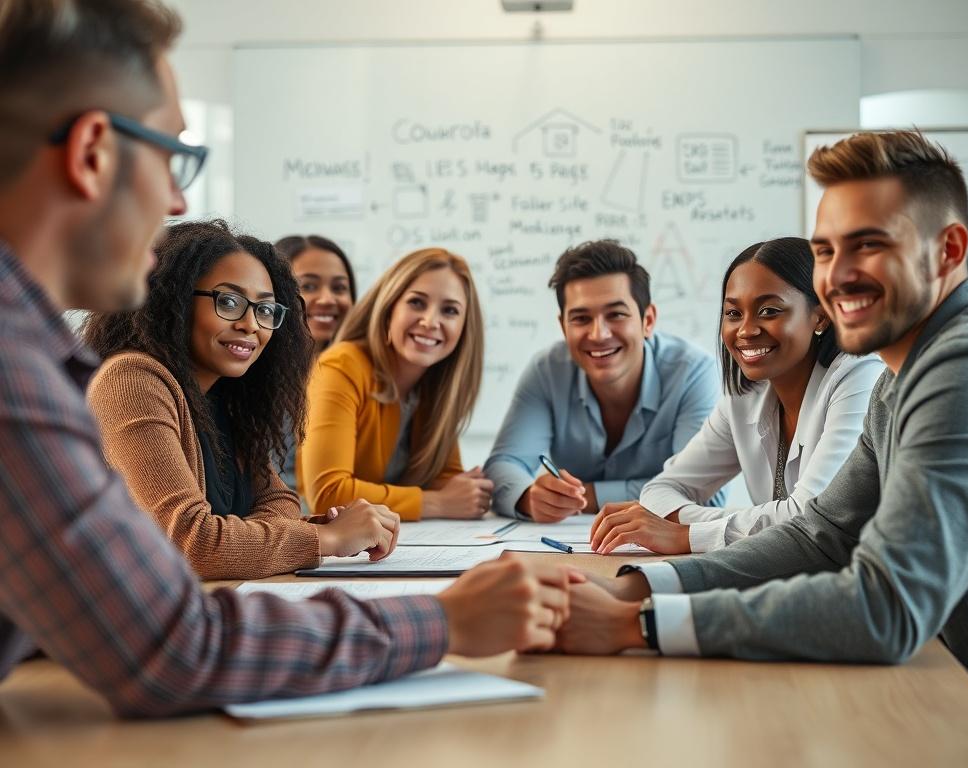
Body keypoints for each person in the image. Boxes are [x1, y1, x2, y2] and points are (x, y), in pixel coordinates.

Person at [0, 0, 573, 718]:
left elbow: (223, 541)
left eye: (267, 310)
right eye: (174, 155)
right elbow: (176, 640)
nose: (178, 198)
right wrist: (445, 620)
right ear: (92, 154)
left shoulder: (39, 355)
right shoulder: (25, 373)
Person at [553, 130, 968, 727]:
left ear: (949, 249)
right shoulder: (901, 376)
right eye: (825, 251)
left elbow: (886, 606)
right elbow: (820, 537)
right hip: (937, 696)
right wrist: (639, 588)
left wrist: (637, 624)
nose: (837, 276)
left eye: (868, 245)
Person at [83, 220, 394, 580]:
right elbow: (191, 544)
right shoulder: (131, 380)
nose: (251, 324)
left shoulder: (227, 397)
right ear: (175, 299)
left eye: (265, 309)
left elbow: (281, 504)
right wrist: (326, 537)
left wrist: (276, 536)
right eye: (228, 302)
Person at [589, 237, 884, 555]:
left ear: (821, 316)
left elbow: (812, 516)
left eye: (769, 311)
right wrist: (724, 527)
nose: (745, 330)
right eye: (733, 313)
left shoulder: (860, 375)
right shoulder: (747, 395)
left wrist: (687, 533)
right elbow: (660, 492)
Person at [485, 240, 720, 521]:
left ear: (648, 320)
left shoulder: (693, 372)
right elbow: (502, 466)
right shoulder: (546, 371)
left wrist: (587, 496)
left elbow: (706, 493)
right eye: (581, 318)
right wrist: (528, 497)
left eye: (616, 315)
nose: (598, 334)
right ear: (563, 326)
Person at [300, 247, 493, 520]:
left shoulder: (436, 385)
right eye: (416, 303)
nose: (430, 321)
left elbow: (446, 482)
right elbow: (327, 493)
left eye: (449, 310)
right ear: (389, 308)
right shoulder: (341, 366)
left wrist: (468, 493)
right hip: (309, 541)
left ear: (464, 328)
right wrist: (435, 503)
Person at [274, 233, 357, 494]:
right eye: (308, 286)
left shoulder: (355, 377)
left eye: (339, 288)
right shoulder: (251, 381)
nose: (328, 299)